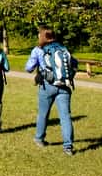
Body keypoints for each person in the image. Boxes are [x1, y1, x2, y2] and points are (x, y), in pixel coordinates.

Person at [25, 26, 77, 156]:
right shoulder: (63, 48)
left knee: (43, 113)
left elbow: (29, 68)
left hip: (47, 85)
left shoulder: (38, 50)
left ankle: (39, 138)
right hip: (64, 86)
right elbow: (74, 64)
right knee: (65, 117)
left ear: (43, 37)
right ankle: (68, 147)